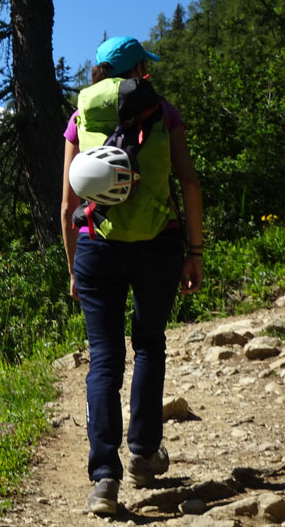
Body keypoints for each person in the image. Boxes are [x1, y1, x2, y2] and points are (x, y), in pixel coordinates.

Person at [60, 36, 204, 516]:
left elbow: (66, 207)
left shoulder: (80, 120)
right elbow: (188, 182)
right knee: (149, 342)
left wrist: (74, 267)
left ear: (100, 73)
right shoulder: (164, 112)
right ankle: (143, 454)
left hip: (97, 247)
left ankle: (104, 479)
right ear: (140, 69)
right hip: (159, 244)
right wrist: (195, 250)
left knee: (104, 358)